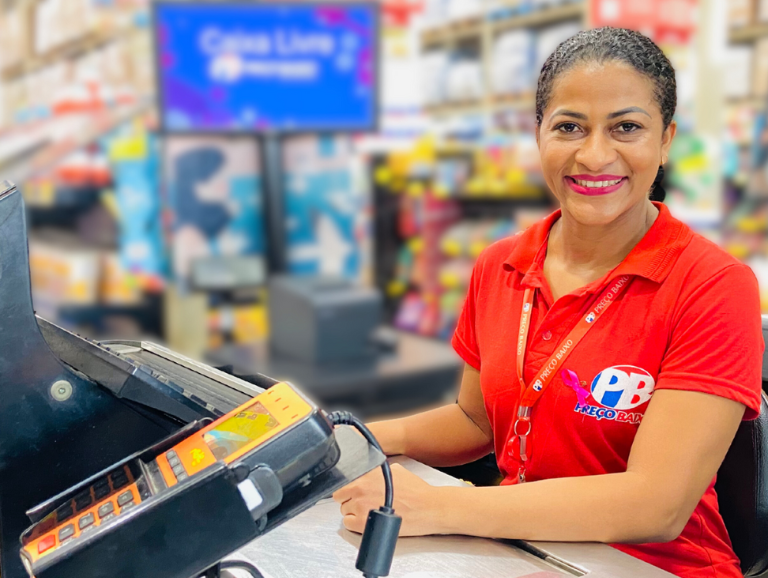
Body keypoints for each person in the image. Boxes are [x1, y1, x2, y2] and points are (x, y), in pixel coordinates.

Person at [333, 27, 764, 578]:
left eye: (627, 127)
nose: (595, 155)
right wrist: (349, 440)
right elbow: (476, 421)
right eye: (569, 127)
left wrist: (438, 506)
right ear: (539, 134)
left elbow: (657, 505)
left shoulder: (712, 284)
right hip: (520, 548)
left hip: (659, 567)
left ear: (666, 140)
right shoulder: (501, 264)